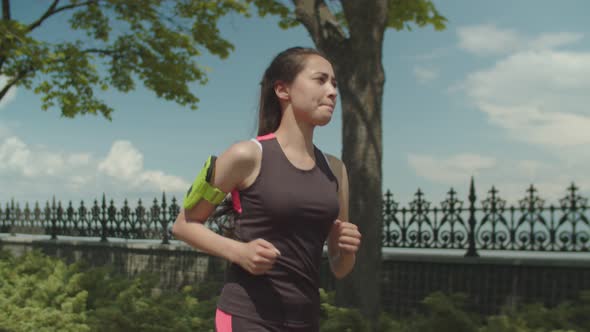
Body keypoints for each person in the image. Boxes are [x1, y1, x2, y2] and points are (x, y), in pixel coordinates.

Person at [172, 46, 361, 332]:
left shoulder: (336, 170)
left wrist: (347, 250)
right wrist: (240, 252)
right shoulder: (246, 156)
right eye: (320, 80)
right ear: (283, 90)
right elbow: (184, 224)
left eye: (334, 84)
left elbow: (340, 267)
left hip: (306, 320)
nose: (333, 91)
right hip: (247, 316)